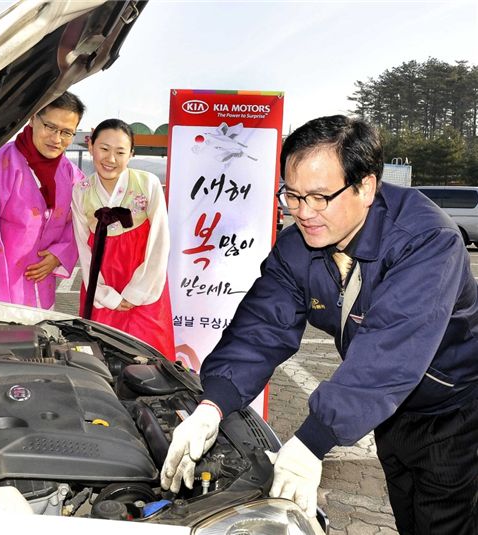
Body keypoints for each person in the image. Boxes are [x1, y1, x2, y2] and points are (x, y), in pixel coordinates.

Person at [161, 115, 478, 534]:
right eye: (291, 196)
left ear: (365, 186)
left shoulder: (425, 241)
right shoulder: (299, 247)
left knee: (445, 522)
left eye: (318, 197)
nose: (303, 213)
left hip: (451, 409)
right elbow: (261, 326)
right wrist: (212, 404)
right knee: (408, 513)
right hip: (387, 409)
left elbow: (389, 349)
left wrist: (313, 440)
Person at [0, 91, 85, 309]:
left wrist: (59, 255)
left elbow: (81, 221)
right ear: (33, 118)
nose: (57, 139)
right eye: (50, 127)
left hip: (43, 293)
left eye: (66, 132)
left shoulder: (72, 175)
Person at [71, 119, 175, 361]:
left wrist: (137, 292)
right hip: (101, 281)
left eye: (120, 152)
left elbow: (159, 240)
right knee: (101, 355)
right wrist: (106, 296)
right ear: (91, 146)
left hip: (145, 280)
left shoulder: (147, 183)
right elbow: (83, 247)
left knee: (148, 357)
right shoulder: (81, 190)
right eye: (104, 149)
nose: (111, 159)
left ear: (131, 154)